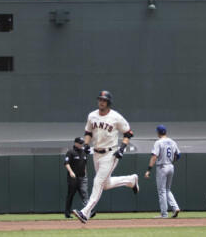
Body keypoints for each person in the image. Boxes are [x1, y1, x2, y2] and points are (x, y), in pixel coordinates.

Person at [72, 90, 139, 224]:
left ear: (108, 102)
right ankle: (131, 180)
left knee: (98, 182)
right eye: (100, 100)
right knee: (105, 184)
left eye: (104, 100)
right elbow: (88, 132)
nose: (101, 102)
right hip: (96, 153)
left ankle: (86, 212)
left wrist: (122, 149)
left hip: (110, 153)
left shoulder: (116, 117)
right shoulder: (92, 116)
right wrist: (86, 143)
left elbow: (128, 133)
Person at [144, 124, 180, 219]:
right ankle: (175, 207)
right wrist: (172, 159)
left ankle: (164, 214)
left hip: (162, 167)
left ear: (158, 132)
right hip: (170, 166)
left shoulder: (158, 142)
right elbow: (178, 155)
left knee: (162, 191)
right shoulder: (172, 142)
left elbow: (154, 157)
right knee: (167, 189)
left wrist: (148, 170)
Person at [63, 137, 89, 219]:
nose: (81, 145)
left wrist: (85, 173)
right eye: (80, 143)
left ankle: (88, 212)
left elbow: (85, 164)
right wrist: (71, 172)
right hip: (73, 178)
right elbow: (66, 163)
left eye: (82, 143)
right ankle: (67, 214)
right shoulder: (71, 152)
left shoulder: (84, 152)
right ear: (76, 143)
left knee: (84, 194)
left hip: (82, 177)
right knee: (70, 195)